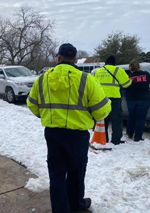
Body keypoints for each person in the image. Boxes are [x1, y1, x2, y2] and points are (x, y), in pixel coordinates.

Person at [27, 43, 111, 213]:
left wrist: (46, 116)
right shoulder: (86, 79)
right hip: (77, 136)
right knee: (76, 172)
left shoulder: (42, 78)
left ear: (58, 58)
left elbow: (32, 105)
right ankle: (76, 204)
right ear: (75, 60)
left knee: (57, 174)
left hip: (53, 133)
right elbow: (102, 110)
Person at [94, 55, 131, 145]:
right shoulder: (118, 70)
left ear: (106, 63)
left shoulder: (98, 71)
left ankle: (104, 138)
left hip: (101, 99)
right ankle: (116, 140)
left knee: (103, 119)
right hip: (114, 98)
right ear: (114, 63)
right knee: (116, 120)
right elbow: (126, 84)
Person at [125, 60, 150, 141]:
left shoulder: (128, 76)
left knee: (131, 117)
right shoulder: (146, 74)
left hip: (131, 99)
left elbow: (125, 87)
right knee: (141, 118)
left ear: (130, 68)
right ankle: (137, 137)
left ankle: (129, 133)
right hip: (144, 99)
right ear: (139, 66)